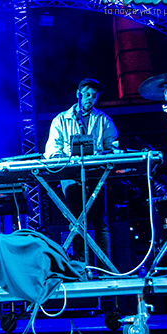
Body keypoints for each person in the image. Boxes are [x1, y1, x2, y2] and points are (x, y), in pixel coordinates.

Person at [44, 78, 119, 265]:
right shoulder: (61, 120)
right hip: (70, 175)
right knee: (77, 221)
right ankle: (80, 266)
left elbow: (113, 146)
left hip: (96, 174)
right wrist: (64, 158)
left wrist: (104, 153)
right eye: (87, 95)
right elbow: (52, 150)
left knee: (100, 220)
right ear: (78, 94)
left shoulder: (103, 120)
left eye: (94, 96)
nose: (90, 99)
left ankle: (105, 267)